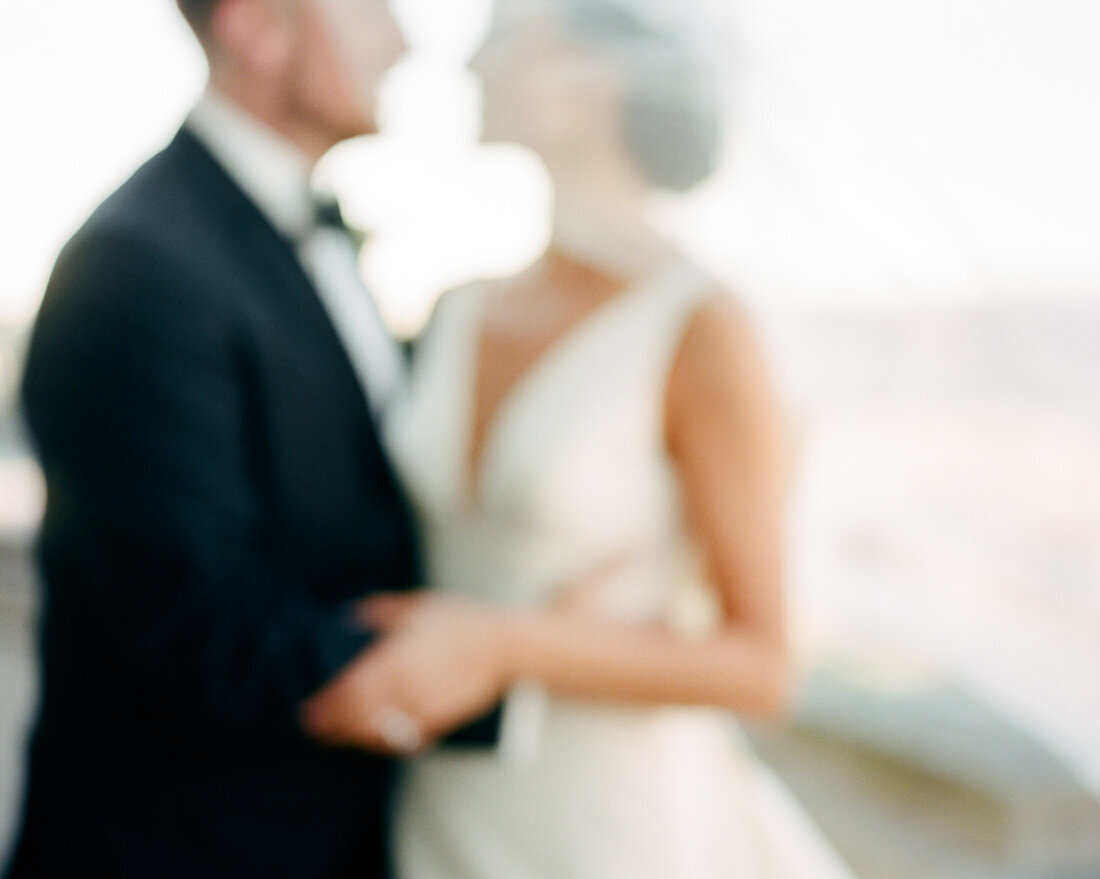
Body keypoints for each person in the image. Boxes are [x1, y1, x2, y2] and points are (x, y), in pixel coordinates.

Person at [333, 0, 862, 875]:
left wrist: (506, 642)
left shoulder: (697, 323)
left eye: (507, 36)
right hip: (438, 801)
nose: (468, 66)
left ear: (595, 82)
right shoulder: (461, 305)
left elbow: (763, 664)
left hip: (602, 817)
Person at [5, 1, 516, 876]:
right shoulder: (137, 264)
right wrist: (523, 667)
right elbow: (208, 633)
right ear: (257, 28)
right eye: (368, 10)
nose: (401, 42)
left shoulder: (297, 233)